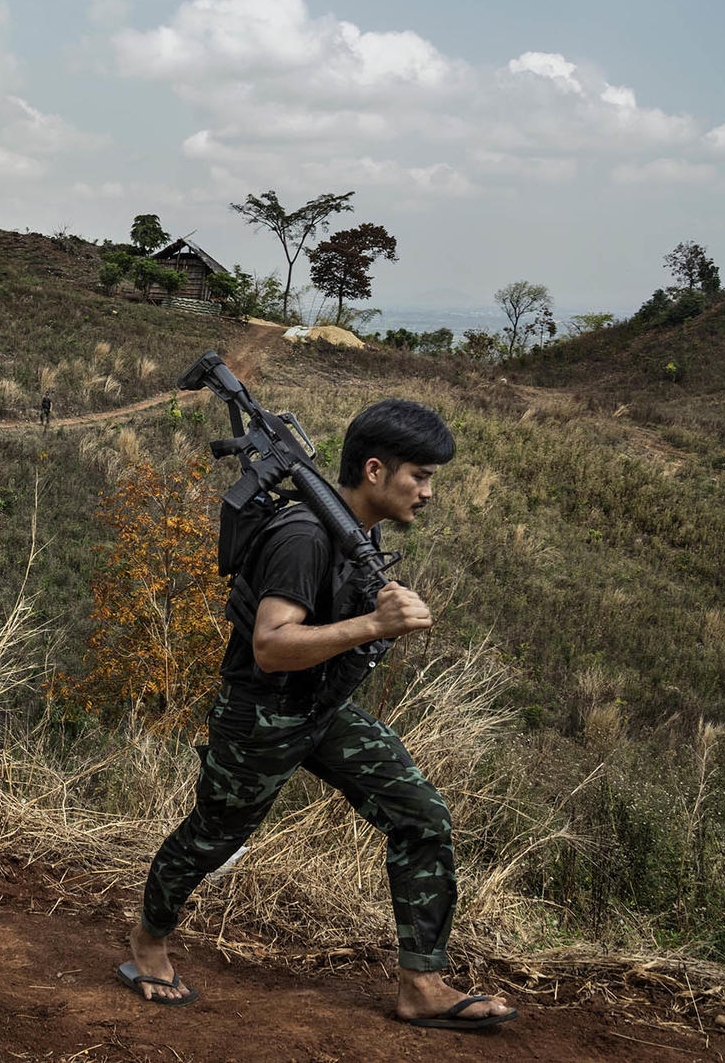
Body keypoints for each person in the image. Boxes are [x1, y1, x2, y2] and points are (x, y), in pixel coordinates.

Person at [120, 399, 517, 1032]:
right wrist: (373, 624)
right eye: (422, 476)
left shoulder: (352, 531)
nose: (429, 493)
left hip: (323, 710)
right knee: (214, 837)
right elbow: (272, 646)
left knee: (421, 816)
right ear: (375, 470)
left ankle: (421, 983)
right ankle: (147, 944)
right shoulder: (305, 535)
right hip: (264, 717)